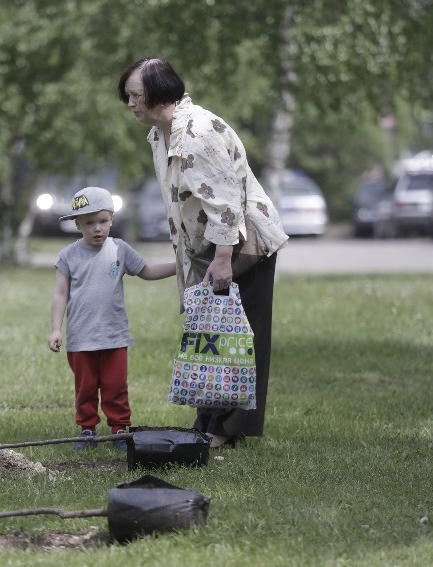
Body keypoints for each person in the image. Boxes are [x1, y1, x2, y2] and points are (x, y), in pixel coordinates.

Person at [118, 57, 290, 448]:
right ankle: (209, 420)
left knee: (238, 336)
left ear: (160, 93)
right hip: (208, 243)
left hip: (240, 243)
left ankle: (227, 429)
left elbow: (224, 202)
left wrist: (223, 259)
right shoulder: (162, 133)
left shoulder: (197, 132)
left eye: (135, 95)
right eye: (128, 95)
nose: (130, 103)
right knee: (210, 332)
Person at [48, 186, 176, 451]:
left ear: (112, 220)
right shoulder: (68, 256)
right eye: (89, 223)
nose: (97, 228)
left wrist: (180, 267)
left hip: (114, 335)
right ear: (78, 224)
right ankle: (87, 430)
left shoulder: (120, 249)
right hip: (81, 337)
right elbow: (60, 294)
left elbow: (147, 271)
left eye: (103, 221)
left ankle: (119, 429)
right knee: (85, 387)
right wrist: (56, 329)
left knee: (115, 385)